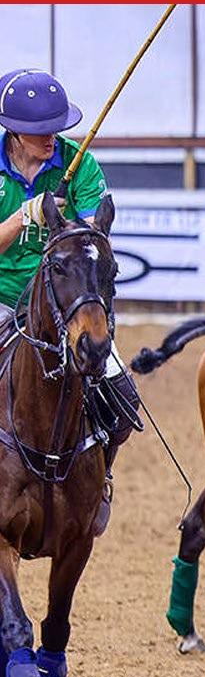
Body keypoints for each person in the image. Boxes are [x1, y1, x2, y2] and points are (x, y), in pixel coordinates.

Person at [0, 69, 141, 528]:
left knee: (123, 399)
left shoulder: (80, 165)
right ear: (13, 131)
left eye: (56, 127)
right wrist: (24, 216)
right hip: (3, 298)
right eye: (40, 131)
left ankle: (99, 480)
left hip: (63, 304)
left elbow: (94, 239)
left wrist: (68, 226)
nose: (51, 138)